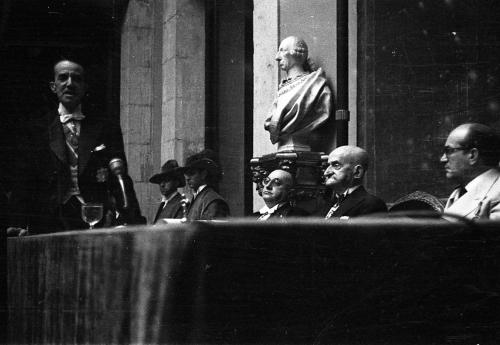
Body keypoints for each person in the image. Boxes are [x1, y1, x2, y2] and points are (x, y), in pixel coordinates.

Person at [7, 59, 145, 235]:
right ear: (53, 86)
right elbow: (24, 181)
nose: (70, 83)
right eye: (63, 78)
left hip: (94, 219)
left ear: (84, 86)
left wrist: (132, 221)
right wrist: (16, 223)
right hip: (48, 222)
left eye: (76, 79)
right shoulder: (36, 129)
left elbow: (120, 177)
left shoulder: (105, 127)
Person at [264, 36, 332, 151]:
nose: (277, 57)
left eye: (282, 50)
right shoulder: (282, 89)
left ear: (296, 53)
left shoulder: (315, 85)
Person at [440, 123, 500, 220]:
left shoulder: (496, 194)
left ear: (472, 155)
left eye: (449, 151)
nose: (442, 159)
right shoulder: (461, 191)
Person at [319, 145, 387, 219]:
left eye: (336, 165)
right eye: (326, 166)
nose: (326, 172)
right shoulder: (324, 204)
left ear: (357, 172)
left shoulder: (372, 205)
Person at [180, 149, 230, 220]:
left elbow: (209, 229)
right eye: (186, 174)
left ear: (203, 174)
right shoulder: (199, 197)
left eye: (192, 173)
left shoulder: (212, 201)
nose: (187, 178)